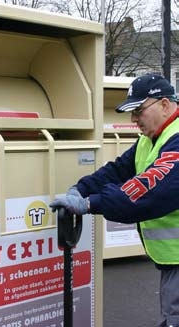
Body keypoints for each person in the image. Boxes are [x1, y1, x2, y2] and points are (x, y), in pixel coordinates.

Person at [50, 73, 179, 327]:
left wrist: (89, 204)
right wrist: (81, 188)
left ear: (164, 104)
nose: (133, 119)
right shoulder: (150, 139)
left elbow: (148, 194)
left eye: (139, 111)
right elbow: (119, 169)